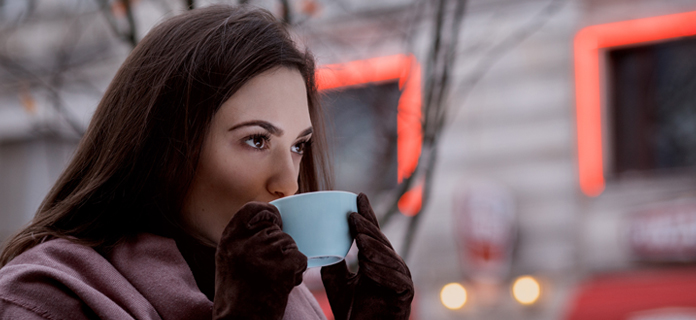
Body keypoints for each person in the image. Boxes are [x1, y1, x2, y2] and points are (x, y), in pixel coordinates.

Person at [0, 4, 413, 320]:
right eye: (256, 139)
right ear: (164, 146)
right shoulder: (46, 297)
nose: (289, 184)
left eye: (298, 146)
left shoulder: (291, 302)